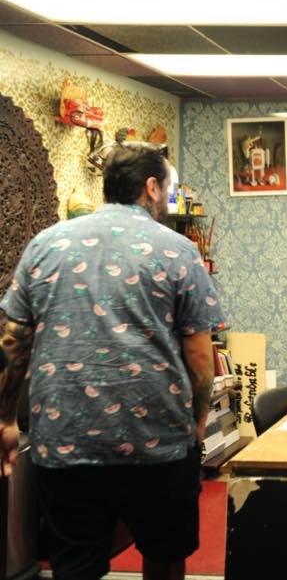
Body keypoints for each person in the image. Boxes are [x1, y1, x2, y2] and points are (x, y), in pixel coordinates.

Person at [0, 144, 226, 580]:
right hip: (157, 441)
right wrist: (198, 426)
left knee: (75, 565)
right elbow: (200, 355)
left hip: (65, 440)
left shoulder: (45, 244)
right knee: (164, 555)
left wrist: (5, 417)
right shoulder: (178, 250)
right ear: (151, 187)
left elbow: (13, 340)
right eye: (169, 189)